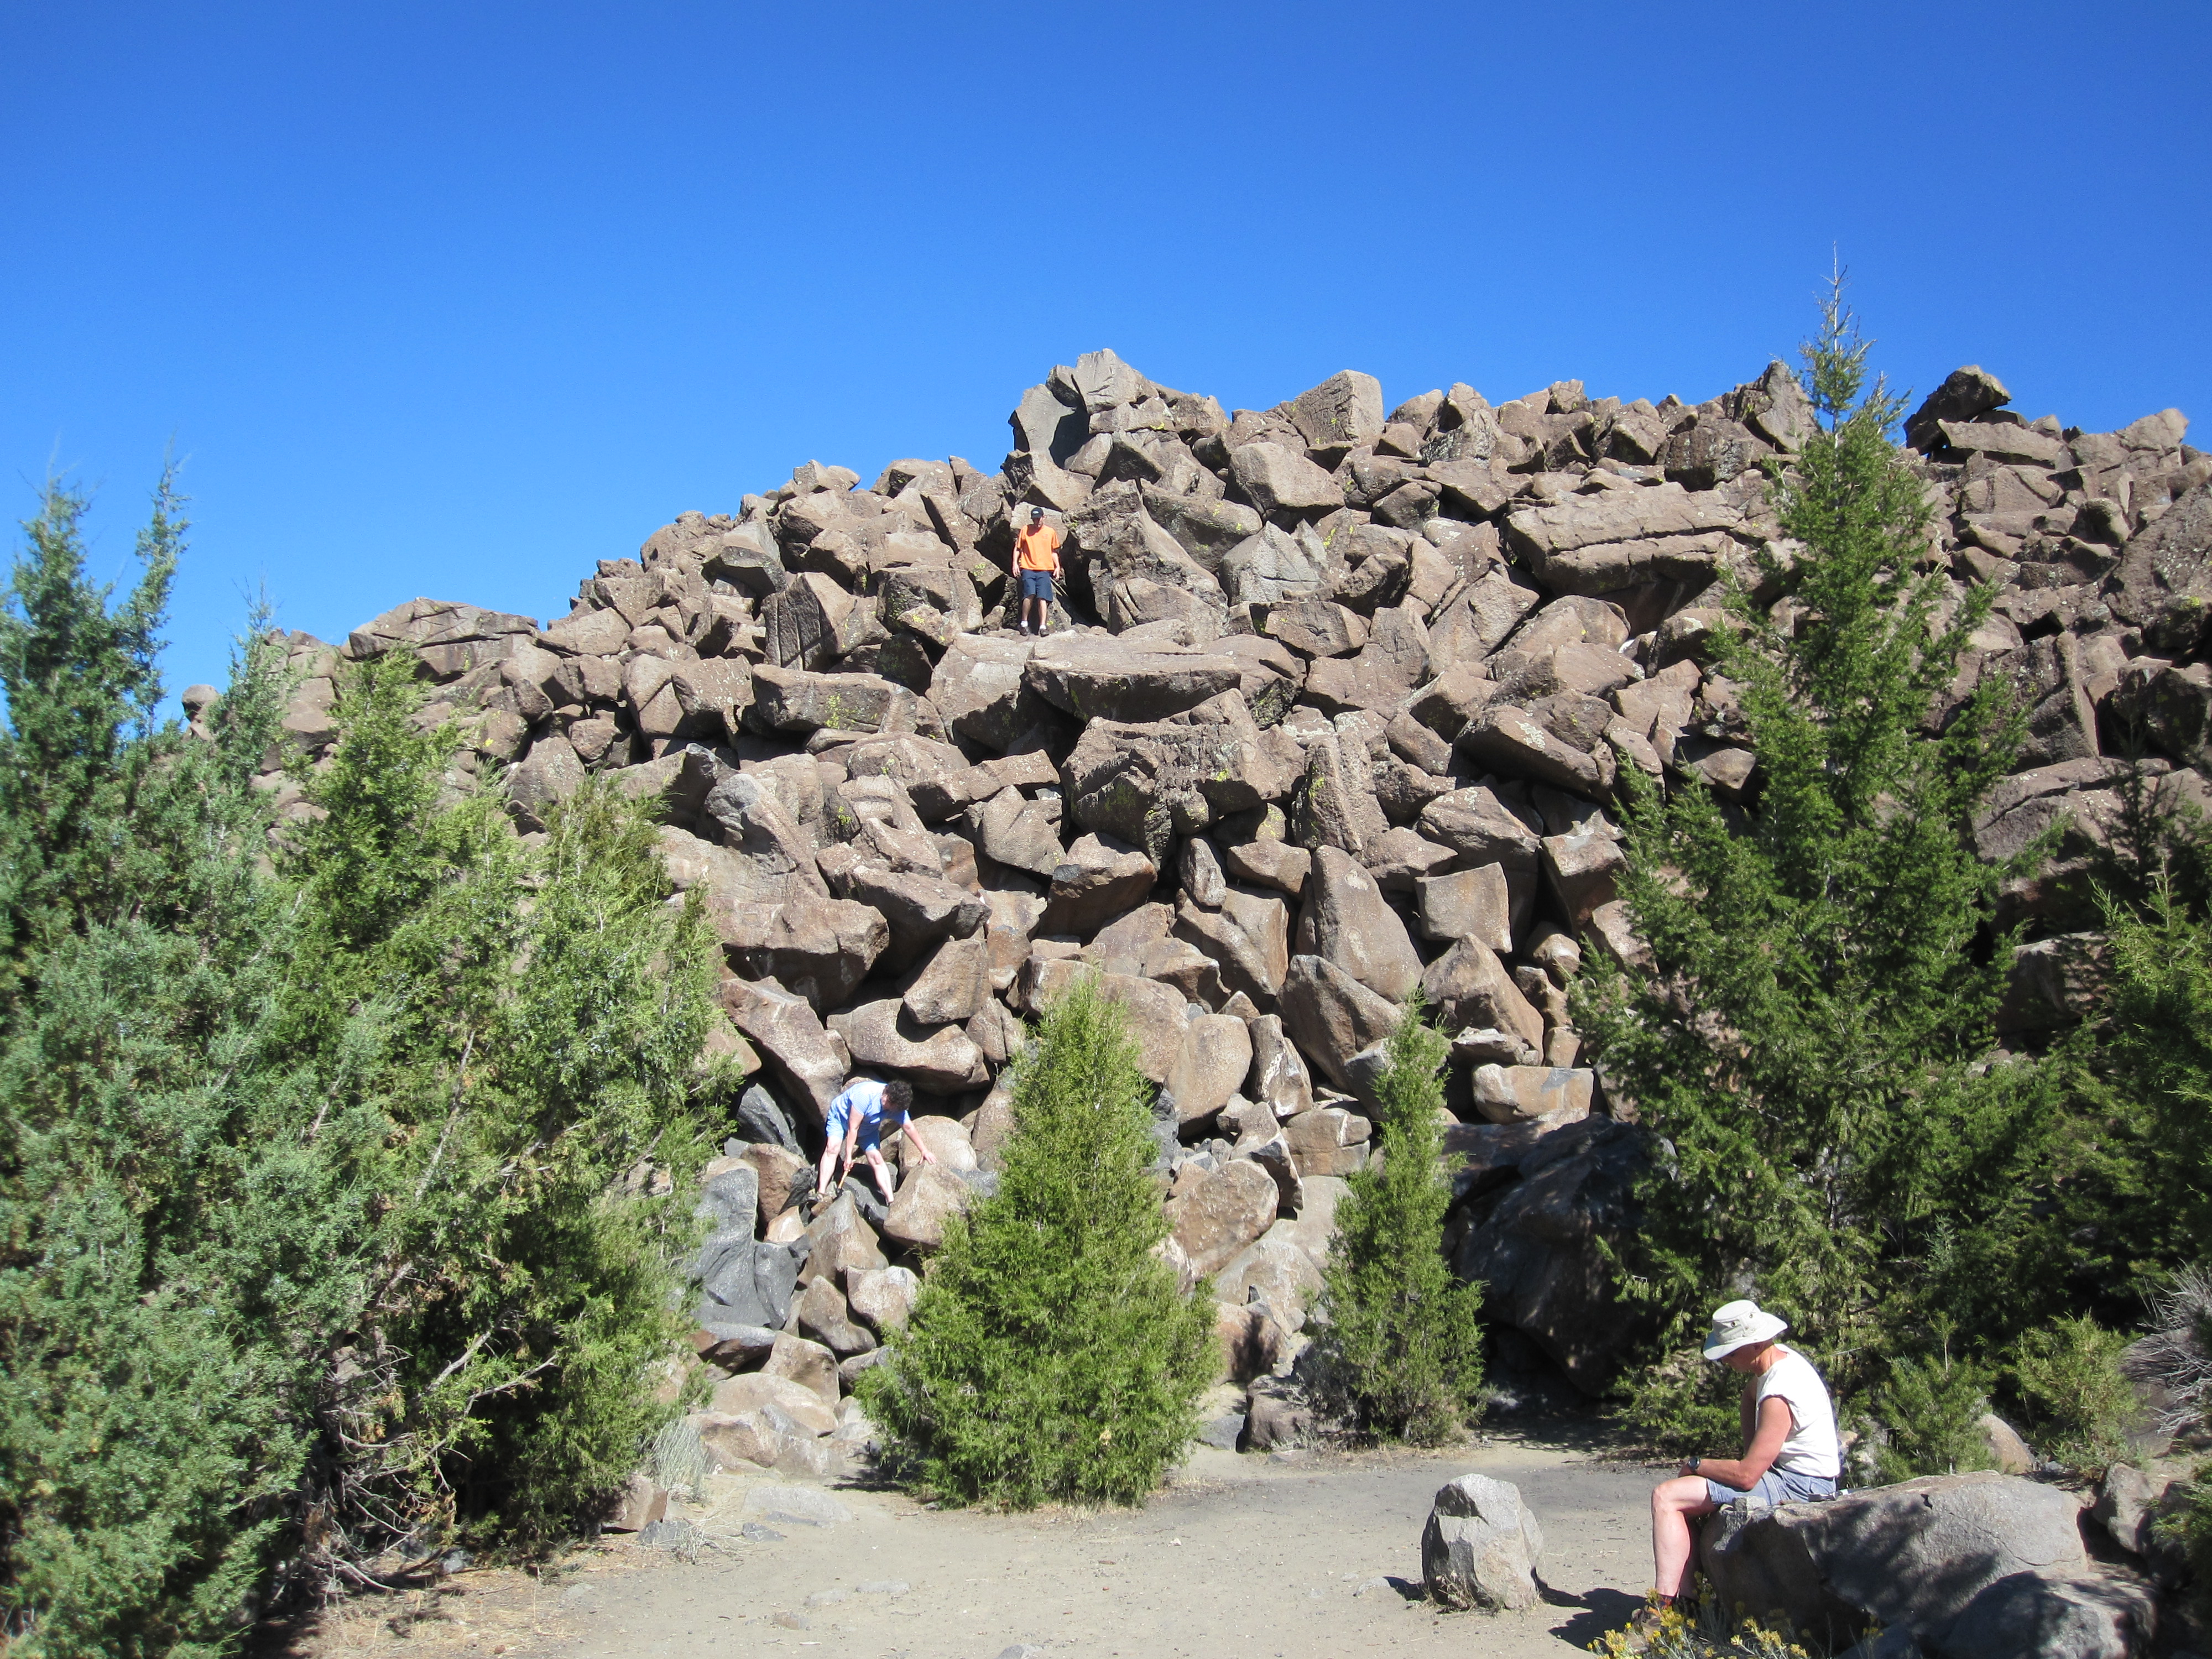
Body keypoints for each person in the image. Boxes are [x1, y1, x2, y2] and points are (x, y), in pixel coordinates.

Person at [1643, 1300, 1839, 1622]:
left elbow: (1747, 1477)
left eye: (1731, 1352)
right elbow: (1750, 1394)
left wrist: (1696, 1464)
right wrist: (1750, 1453)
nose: (1725, 1360)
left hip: (1801, 1487)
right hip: (1796, 1477)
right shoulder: (1780, 1361)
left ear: (1757, 1344)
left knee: (1667, 1496)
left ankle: (1665, 1607)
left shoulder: (1779, 1393)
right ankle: (1686, 1601)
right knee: (1677, 1495)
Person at [817, 1077, 934, 1207]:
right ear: (886, 1092)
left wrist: (924, 1151)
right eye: (886, 1098)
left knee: (877, 1158)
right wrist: (848, 1156)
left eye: (891, 1104)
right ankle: (821, 1192)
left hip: (868, 1129)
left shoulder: (897, 1108)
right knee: (833, 1147)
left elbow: (908, 1127)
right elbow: (853, 1128)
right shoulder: (865, 1095)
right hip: (840, 1119)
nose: (885, 1101)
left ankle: (891, 1201)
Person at [1012, 505, 1061, 637]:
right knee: (1030, 594)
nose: (1037, 521)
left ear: (1044, 517)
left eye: (1039, 519)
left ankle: (1043, 627)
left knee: (1042, 597)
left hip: (1044, 569)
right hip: (1028, 568)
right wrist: (1015, 563)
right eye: (1034, 519)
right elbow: (1018, 548)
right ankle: (1024, 624)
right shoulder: (1026, 530)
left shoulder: (1050, 532)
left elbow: (1053, 551)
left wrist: (1057, 566)